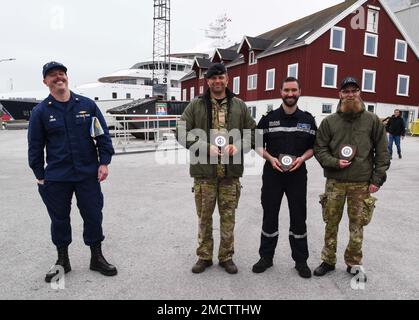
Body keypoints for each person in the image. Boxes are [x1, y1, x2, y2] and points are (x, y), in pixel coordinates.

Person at [28, 61, 117, 283]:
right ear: (45, 82)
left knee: (93, 215)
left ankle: (96, 257)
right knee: (59, 219)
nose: (58, 78)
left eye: (61, 74)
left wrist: (104, 162)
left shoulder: (87, 105)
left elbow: (101, 135)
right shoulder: (40, 112)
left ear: (67, 77)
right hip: (57, 177)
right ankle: (62, 261)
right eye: (52, 76)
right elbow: (35, 145)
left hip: (87, 174)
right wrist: (39, 174)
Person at [176, 63, 256, 274]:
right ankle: (204, 256)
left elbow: (252, 134)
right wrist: (204, 147)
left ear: (227, 80)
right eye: (214, 78)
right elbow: (181, 131)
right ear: (208, 81)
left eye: (221, 77)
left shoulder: (240, 105)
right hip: (204, 175)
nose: (218, 81)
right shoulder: (196, 105)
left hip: (230, 175)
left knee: (228, 217)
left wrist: (237, 146)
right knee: (204, 218)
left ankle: (226, 256)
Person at [313, 77, 390, 281]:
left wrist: (376, 179)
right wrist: (334, 162)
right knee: (331, 222)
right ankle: (328, 260)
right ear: (339, 94)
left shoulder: (372, 120)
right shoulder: (329, 122)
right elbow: (319, 148)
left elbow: (383, 152)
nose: (350, 95)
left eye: (353, 91)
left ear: (359, 93)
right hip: (335, 182)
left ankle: (354, 263)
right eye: (345, 91)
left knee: (357, 225)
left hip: (361, 183)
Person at [251, 77, 317, 279]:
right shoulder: (268, 119)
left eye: (293, 90)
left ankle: (301, 261)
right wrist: (270, 159)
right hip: (273, 175)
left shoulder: (308, 119)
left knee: (299, 218)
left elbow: (314, 146)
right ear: (280, 92)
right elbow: (257, 144)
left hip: (298, 175)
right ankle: (266, 258)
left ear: (299, 92)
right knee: (269, 216)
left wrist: (303, 158)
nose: (290, 94)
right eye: (286, 90)